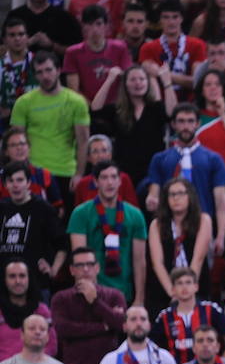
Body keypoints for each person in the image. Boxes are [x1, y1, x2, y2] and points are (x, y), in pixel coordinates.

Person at [52, 247, 126, 364]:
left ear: (97, 268)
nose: (85, 269)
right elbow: (64, 330)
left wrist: (95, 301)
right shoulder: (61, 299)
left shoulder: (114, 295)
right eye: (80, 265)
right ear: (71, 270)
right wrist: (103, 327)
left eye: (89, 264)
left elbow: (121, 324)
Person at [145, 104, 225, 257]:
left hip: (202, 228)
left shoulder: (213, 159)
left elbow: (221, 201)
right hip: (168, 230)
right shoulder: (160, 159)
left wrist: (221, 235)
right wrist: (151, 200)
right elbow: (154, 193)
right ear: (173, 124)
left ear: (198, 124)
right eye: (181, 121)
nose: (186, 126)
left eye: (190, 121)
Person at [9, 51, 89, 202]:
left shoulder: (77, 101)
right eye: (39, 72)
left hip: (65, 171)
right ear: (35, 76)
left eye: (49, 70)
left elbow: (83, 141)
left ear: (58, 71)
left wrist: (79, 174)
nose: (45, 76)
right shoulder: (23, 102)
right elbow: (15, 141)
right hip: (33, 172)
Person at [68, 161, 147, 305]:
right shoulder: (80, 213)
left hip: (125, 294)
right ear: (95, 182)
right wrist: (86, 293)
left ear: (120, 181)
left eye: (113, 177)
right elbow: (79, 259)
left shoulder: (135, 215)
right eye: (104, 178)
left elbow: (139, 261)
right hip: (92, 294)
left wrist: (139, 299)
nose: (109, 182)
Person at [95, 64, 175, 187]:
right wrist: (109, 80)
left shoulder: (155, 107)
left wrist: (167, 83)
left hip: (152, 171)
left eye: (142, 79)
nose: (138, 83)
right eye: (133, 79)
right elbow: (95, 109)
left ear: (147, 82)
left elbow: (172, 112)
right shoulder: (117, 109)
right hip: (125, 171)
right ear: (125, 84)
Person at [147, 178, 213, 318]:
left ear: (190, 196)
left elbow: (198, 259)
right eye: (172, 194)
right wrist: (173, 293)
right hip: (165, 289)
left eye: (181, 193)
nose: (176, 198)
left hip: (195, 286)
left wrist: (187, 291)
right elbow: (157, 263)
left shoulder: (203, 220)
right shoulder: (156, 225)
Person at [0, 161, 67, 292]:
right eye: (10, 181)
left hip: (37, 285)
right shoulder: (1, 208)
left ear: (29, 183)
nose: (15, 185)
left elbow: (63, 245)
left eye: (20, 180)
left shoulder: (44, 209)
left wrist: (53, 270)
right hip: (3, 286)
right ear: (5, 185)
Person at [152, 267, 225, 364]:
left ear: (196, 287)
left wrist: (222, 361)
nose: (184, 287)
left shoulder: (210, 309)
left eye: (188, 282)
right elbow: (150, 345)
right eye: (179, 283)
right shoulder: (165, 316)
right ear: (173, 289)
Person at [63, 5, 133, 109]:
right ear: (83, 27)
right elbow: (74, 90)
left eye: (99, 24)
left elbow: (128, 80)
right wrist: (93, 109)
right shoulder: (72, 52)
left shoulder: (120, 48)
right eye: (90, 24)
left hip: (118, 107)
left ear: (106, 26)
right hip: (87, 108)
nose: (95, 29)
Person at [138, 0, 208, 101]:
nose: (171, 22)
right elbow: (148, 77)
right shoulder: (148, 47)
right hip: (159, 104)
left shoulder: (198, 45)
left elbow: (196, 82)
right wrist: (181, 79)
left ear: (182, 19)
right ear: (159, 20)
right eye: (166, 17)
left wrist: (164, 75)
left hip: (191, 104)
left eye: (175, 17)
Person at [4, 0, 82, 59]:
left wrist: (52, 45)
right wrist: (24, 43)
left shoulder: (64, 17)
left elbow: (78, 50)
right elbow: (2, 49)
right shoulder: (14, 16)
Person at [0, 260, 56, 362]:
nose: (18, 281)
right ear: (4, 280)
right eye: (12, 276)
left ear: (29, 278)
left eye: (22, 276)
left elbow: (52, 346)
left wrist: (31, 363)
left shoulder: (41, 310)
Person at [0, 128, 63, 212]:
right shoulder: (1, 177)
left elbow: (58, 207)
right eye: (13, 145)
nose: (19, 148)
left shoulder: (45, 175)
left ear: (29, 147)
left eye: (22, 144)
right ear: (6, 152)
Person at [73, 135, 140, 206]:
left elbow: (133, 211)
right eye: (95, 151)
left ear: (110, 155)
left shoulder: (123, 178)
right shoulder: (82, 184)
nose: (100, 155)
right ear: (88, 158)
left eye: (104, 150)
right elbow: (79, 214)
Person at [0, 19, 38, 123]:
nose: (17, 38)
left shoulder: (40, 62)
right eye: (12, 35)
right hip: (7, 126)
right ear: (4, 40)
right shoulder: (0, 66)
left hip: (38, 122)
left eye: (21, 34)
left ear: (27, 37)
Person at [192, 37, 225, 107]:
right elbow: (199, 102)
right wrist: (212, 74)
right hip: (212, 110)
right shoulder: (201, 70)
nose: (217, 58)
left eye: (221, 53)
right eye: (212, 54)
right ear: (206, 55)